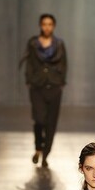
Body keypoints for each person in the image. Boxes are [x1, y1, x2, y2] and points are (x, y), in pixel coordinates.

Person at [23, 14, 68, 167]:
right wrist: (29, 80)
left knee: (51, 123)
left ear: (53, 26)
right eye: (44, 24)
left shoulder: (59, 44)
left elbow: (64, 64)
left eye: (50, 24)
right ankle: (38, 147)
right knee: (39, 119)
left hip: (54, 87)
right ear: (40, 25)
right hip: (37, 86)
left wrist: (61, 81)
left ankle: (45, 155)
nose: (47, 27)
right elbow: (29, 62)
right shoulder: (33, 43)